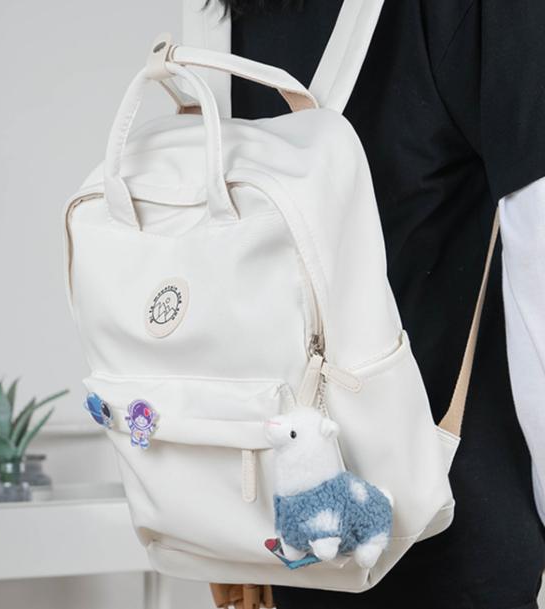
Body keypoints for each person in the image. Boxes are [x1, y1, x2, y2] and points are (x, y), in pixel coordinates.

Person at [204, 1, 545, 608]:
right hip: (456, 529)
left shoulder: (225, 19)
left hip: (299, 532)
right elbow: (537, 268)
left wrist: (235, 525)